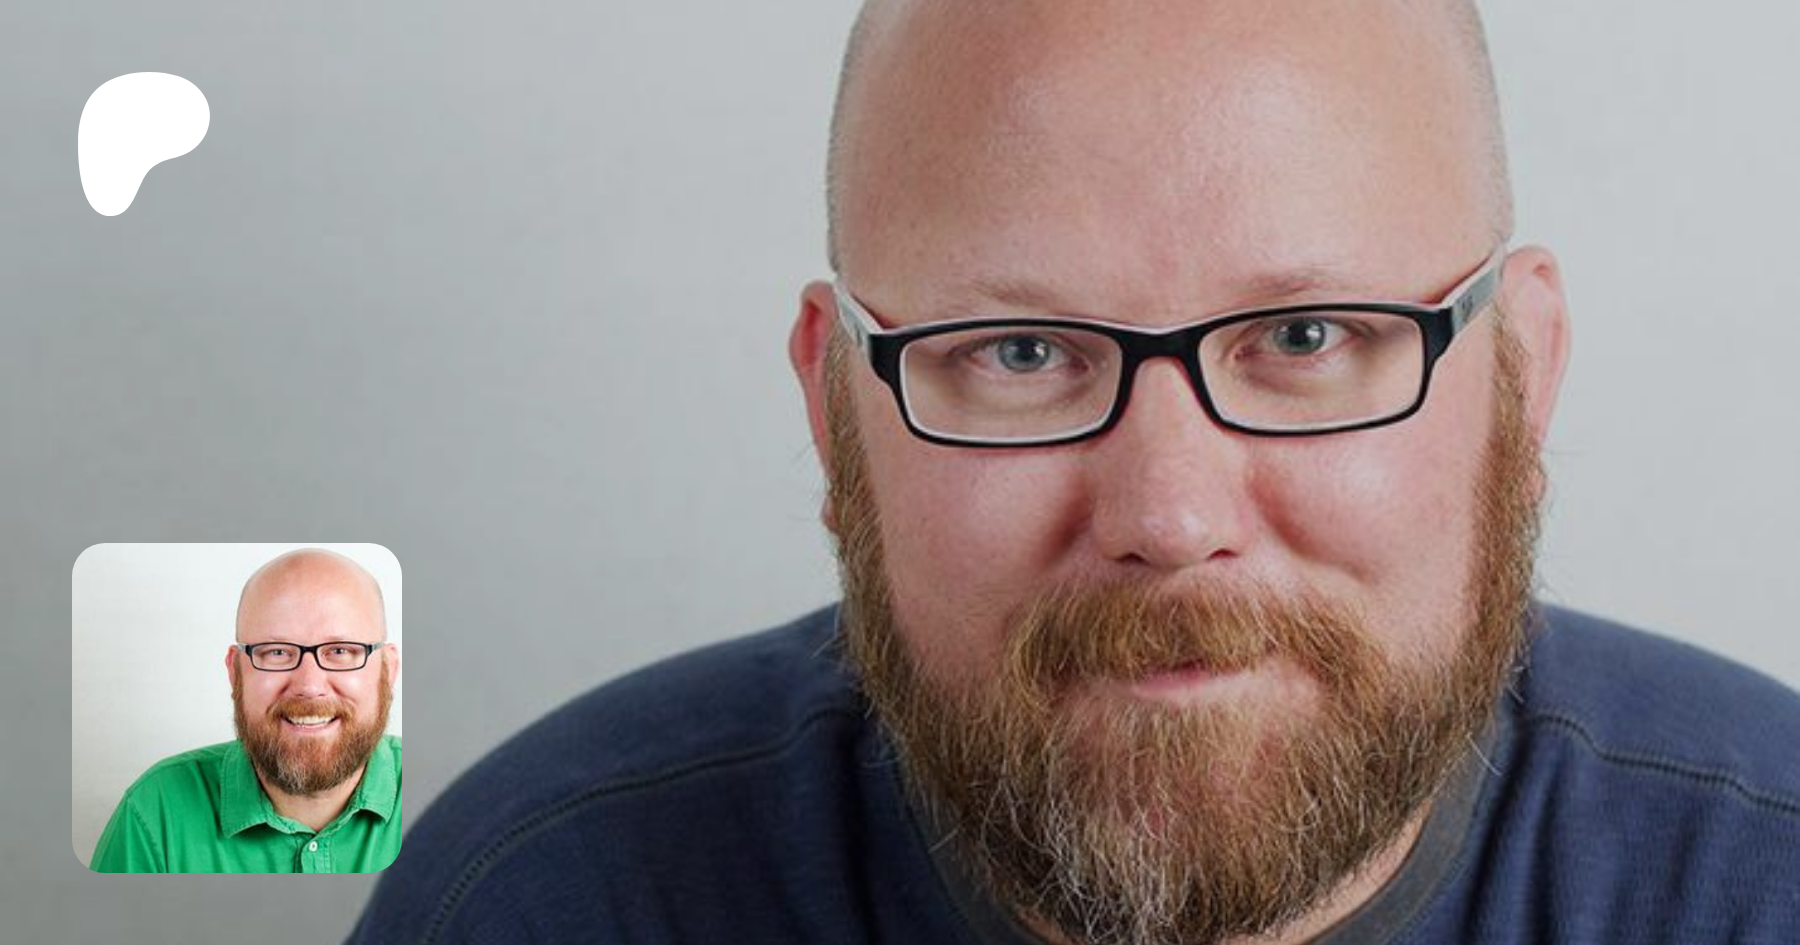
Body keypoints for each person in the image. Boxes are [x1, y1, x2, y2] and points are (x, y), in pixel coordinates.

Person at [347, 0, 1800, 941]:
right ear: (833, 410)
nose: (1168, 515)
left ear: (1523, 375)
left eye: (1306, 338)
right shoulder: (538, 901)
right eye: (1022, 352)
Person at [90, 549, 402, 873]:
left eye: (340, 651)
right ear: (235, 671)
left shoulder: (433, 800)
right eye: (277, 652)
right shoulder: (155, 813)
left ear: (389, 669)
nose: (309, 686)